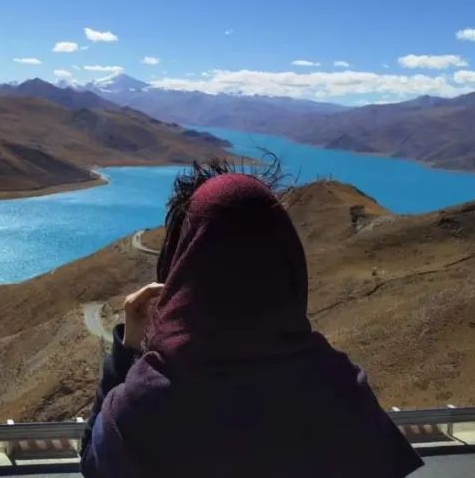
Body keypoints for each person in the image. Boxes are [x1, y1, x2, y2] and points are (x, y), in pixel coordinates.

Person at [81, 162, 423, 478]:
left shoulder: (142, 406)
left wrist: (127, 350)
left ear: (184, 269)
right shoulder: (345, 392)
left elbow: (94, 464)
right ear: (286, 267)